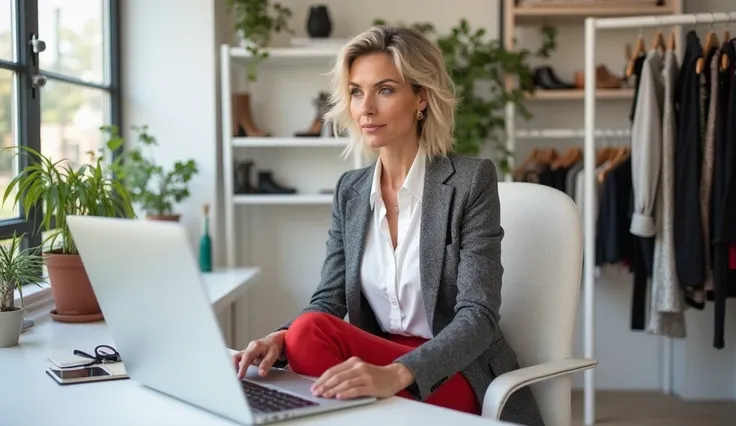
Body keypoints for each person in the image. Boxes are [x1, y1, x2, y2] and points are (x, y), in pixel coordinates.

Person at [232, 25, 544, 426]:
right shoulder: (351, 190)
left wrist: (394, 374)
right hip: (373, 357)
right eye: (357, 91)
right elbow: (327, 301)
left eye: (385, 90)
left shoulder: (469, 182)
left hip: (449, 369)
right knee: (307, 330)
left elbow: (477, 317)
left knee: (325, 364)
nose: (365, 108)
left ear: (421, 98)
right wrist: (280, 337)